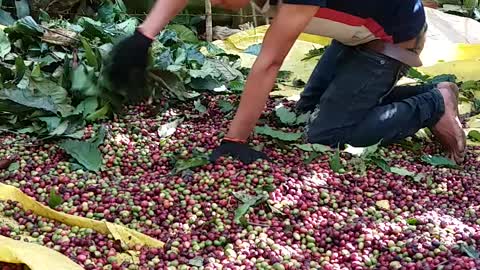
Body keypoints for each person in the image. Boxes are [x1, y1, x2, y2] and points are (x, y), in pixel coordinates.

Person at [107, 0, 466, 165]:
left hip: (393, 40)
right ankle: (433, 93)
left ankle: (432, 105)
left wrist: (235, 140)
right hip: (353, 38)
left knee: (328, 136)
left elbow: (270, 62)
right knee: (306, 111)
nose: (214, 3)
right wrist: (144, 37)